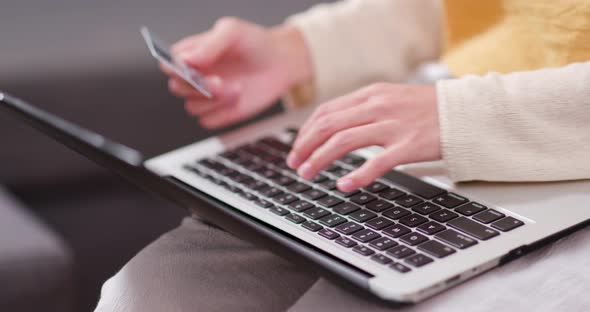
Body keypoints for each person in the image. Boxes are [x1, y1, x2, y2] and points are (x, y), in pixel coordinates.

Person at [95, 0, 590, 311]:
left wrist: (465, 117)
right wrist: (299, 48)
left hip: (547, 146)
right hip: (443, 115)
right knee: (152, 292)